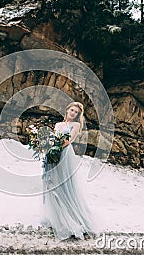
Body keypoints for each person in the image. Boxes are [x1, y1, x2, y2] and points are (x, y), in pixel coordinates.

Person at [41, 101, 101, 241]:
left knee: (64, 186)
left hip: (64, 155)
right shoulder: (57, 125)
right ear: (67, 110)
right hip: (53, 154)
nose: (73, 113)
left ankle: (72, 219)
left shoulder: (76, 125)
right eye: (71, 110)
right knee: (52, 183)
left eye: (76, 112)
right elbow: (53, 137)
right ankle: (57, 218)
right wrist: (47, 147)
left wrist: (55, 146)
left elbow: (68, 140)